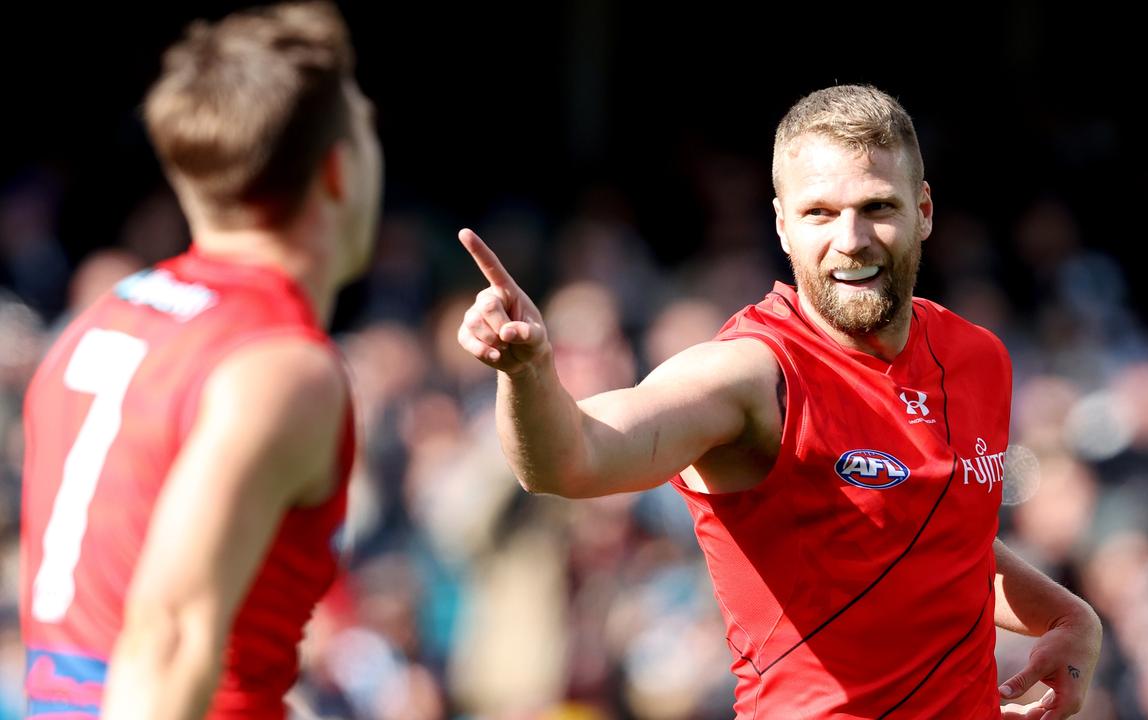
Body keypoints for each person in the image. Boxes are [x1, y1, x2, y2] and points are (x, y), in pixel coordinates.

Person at [457, 84, 1102, 719]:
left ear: (924, 212)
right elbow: (569, 460)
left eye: (877, 206)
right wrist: (527, 372)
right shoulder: (752, 377)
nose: (850, 239)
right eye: (819, 212)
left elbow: (939, 536)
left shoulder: (977, 357)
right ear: (781, 225)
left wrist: (1068, 616)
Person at [19, 2, 381, 718]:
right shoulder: (281, 370)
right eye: (370, 131)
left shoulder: (103, 317)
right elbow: (169, 646)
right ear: (338, 172)